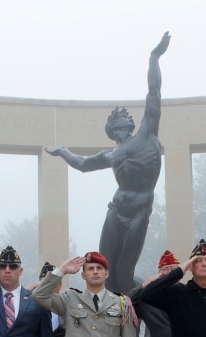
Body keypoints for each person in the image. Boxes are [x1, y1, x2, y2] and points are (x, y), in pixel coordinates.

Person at [44, 32, 170, 294]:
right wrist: (63, 152)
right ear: (111, 129)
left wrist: (154, 57)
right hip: (116, 211)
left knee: (124, 275)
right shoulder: (110, 155)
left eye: (122, 117)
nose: (120, 119)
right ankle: (112, 321)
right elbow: (82, 164)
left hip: (138, 212)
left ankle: (153, 312)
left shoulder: (147, 135)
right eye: (115, 120)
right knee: (104, 270)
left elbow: (154, 91)